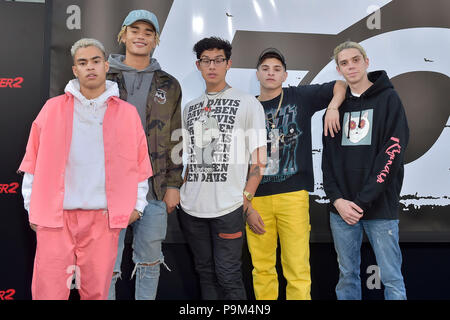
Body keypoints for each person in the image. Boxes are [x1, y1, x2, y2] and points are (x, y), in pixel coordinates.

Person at [18, 38, 152, 300]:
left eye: (95, 61)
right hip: (55, 218)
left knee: (97, 292)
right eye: (83, 62)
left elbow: (139, 163)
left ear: (106, 66)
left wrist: (137, 205)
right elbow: (32, 161)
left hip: (103, 217)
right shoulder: (52, 109)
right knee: (48, 291)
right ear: (74, 70)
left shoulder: (127, 113)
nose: (90, 67)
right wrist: (30, 205)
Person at [246, 48, 346, 300]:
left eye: (276, 69)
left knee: (297, 268)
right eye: (265, 68)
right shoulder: (248, 107)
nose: (271, 73)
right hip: (256, 198)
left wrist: (333, 107)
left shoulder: (300, 96)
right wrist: (245, 202)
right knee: (262, 268)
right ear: (257, 74)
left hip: (293, 195)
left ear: (285, 75)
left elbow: (340, 84)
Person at [179, 37, 267, 300]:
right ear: (198, 65)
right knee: (204, 273)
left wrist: (246, 199)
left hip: (229, 207)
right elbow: (189, 156)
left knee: (228, 275)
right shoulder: (190, 107)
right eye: (206, 61)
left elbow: (260, 158)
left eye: (218, 60)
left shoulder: (247, 103)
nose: (212, 66)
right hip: (192, 208)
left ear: (228, 64)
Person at [322, 41, 409, 300]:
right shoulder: (335, 108)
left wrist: (361, 201)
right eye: (344, 63)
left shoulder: (389, 99)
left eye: (355, 60)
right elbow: (328, 160)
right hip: (341, 211)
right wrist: (337, 200)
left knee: (392, 278)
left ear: (366, 62)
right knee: (347, 276)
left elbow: (392, 154)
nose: (351, 66)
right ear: (338, 69)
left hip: (379, 207)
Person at [106, 9, 183, 300]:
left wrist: (174, 184)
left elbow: (177, 137)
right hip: (109, 189)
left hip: (155, 189)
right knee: (106, 263)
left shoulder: (169, 84)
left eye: (148, 32)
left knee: (150, 260)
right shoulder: (103, 76)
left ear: (156, 40)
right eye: (134, 30)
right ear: (123, 35)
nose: (141, 36)